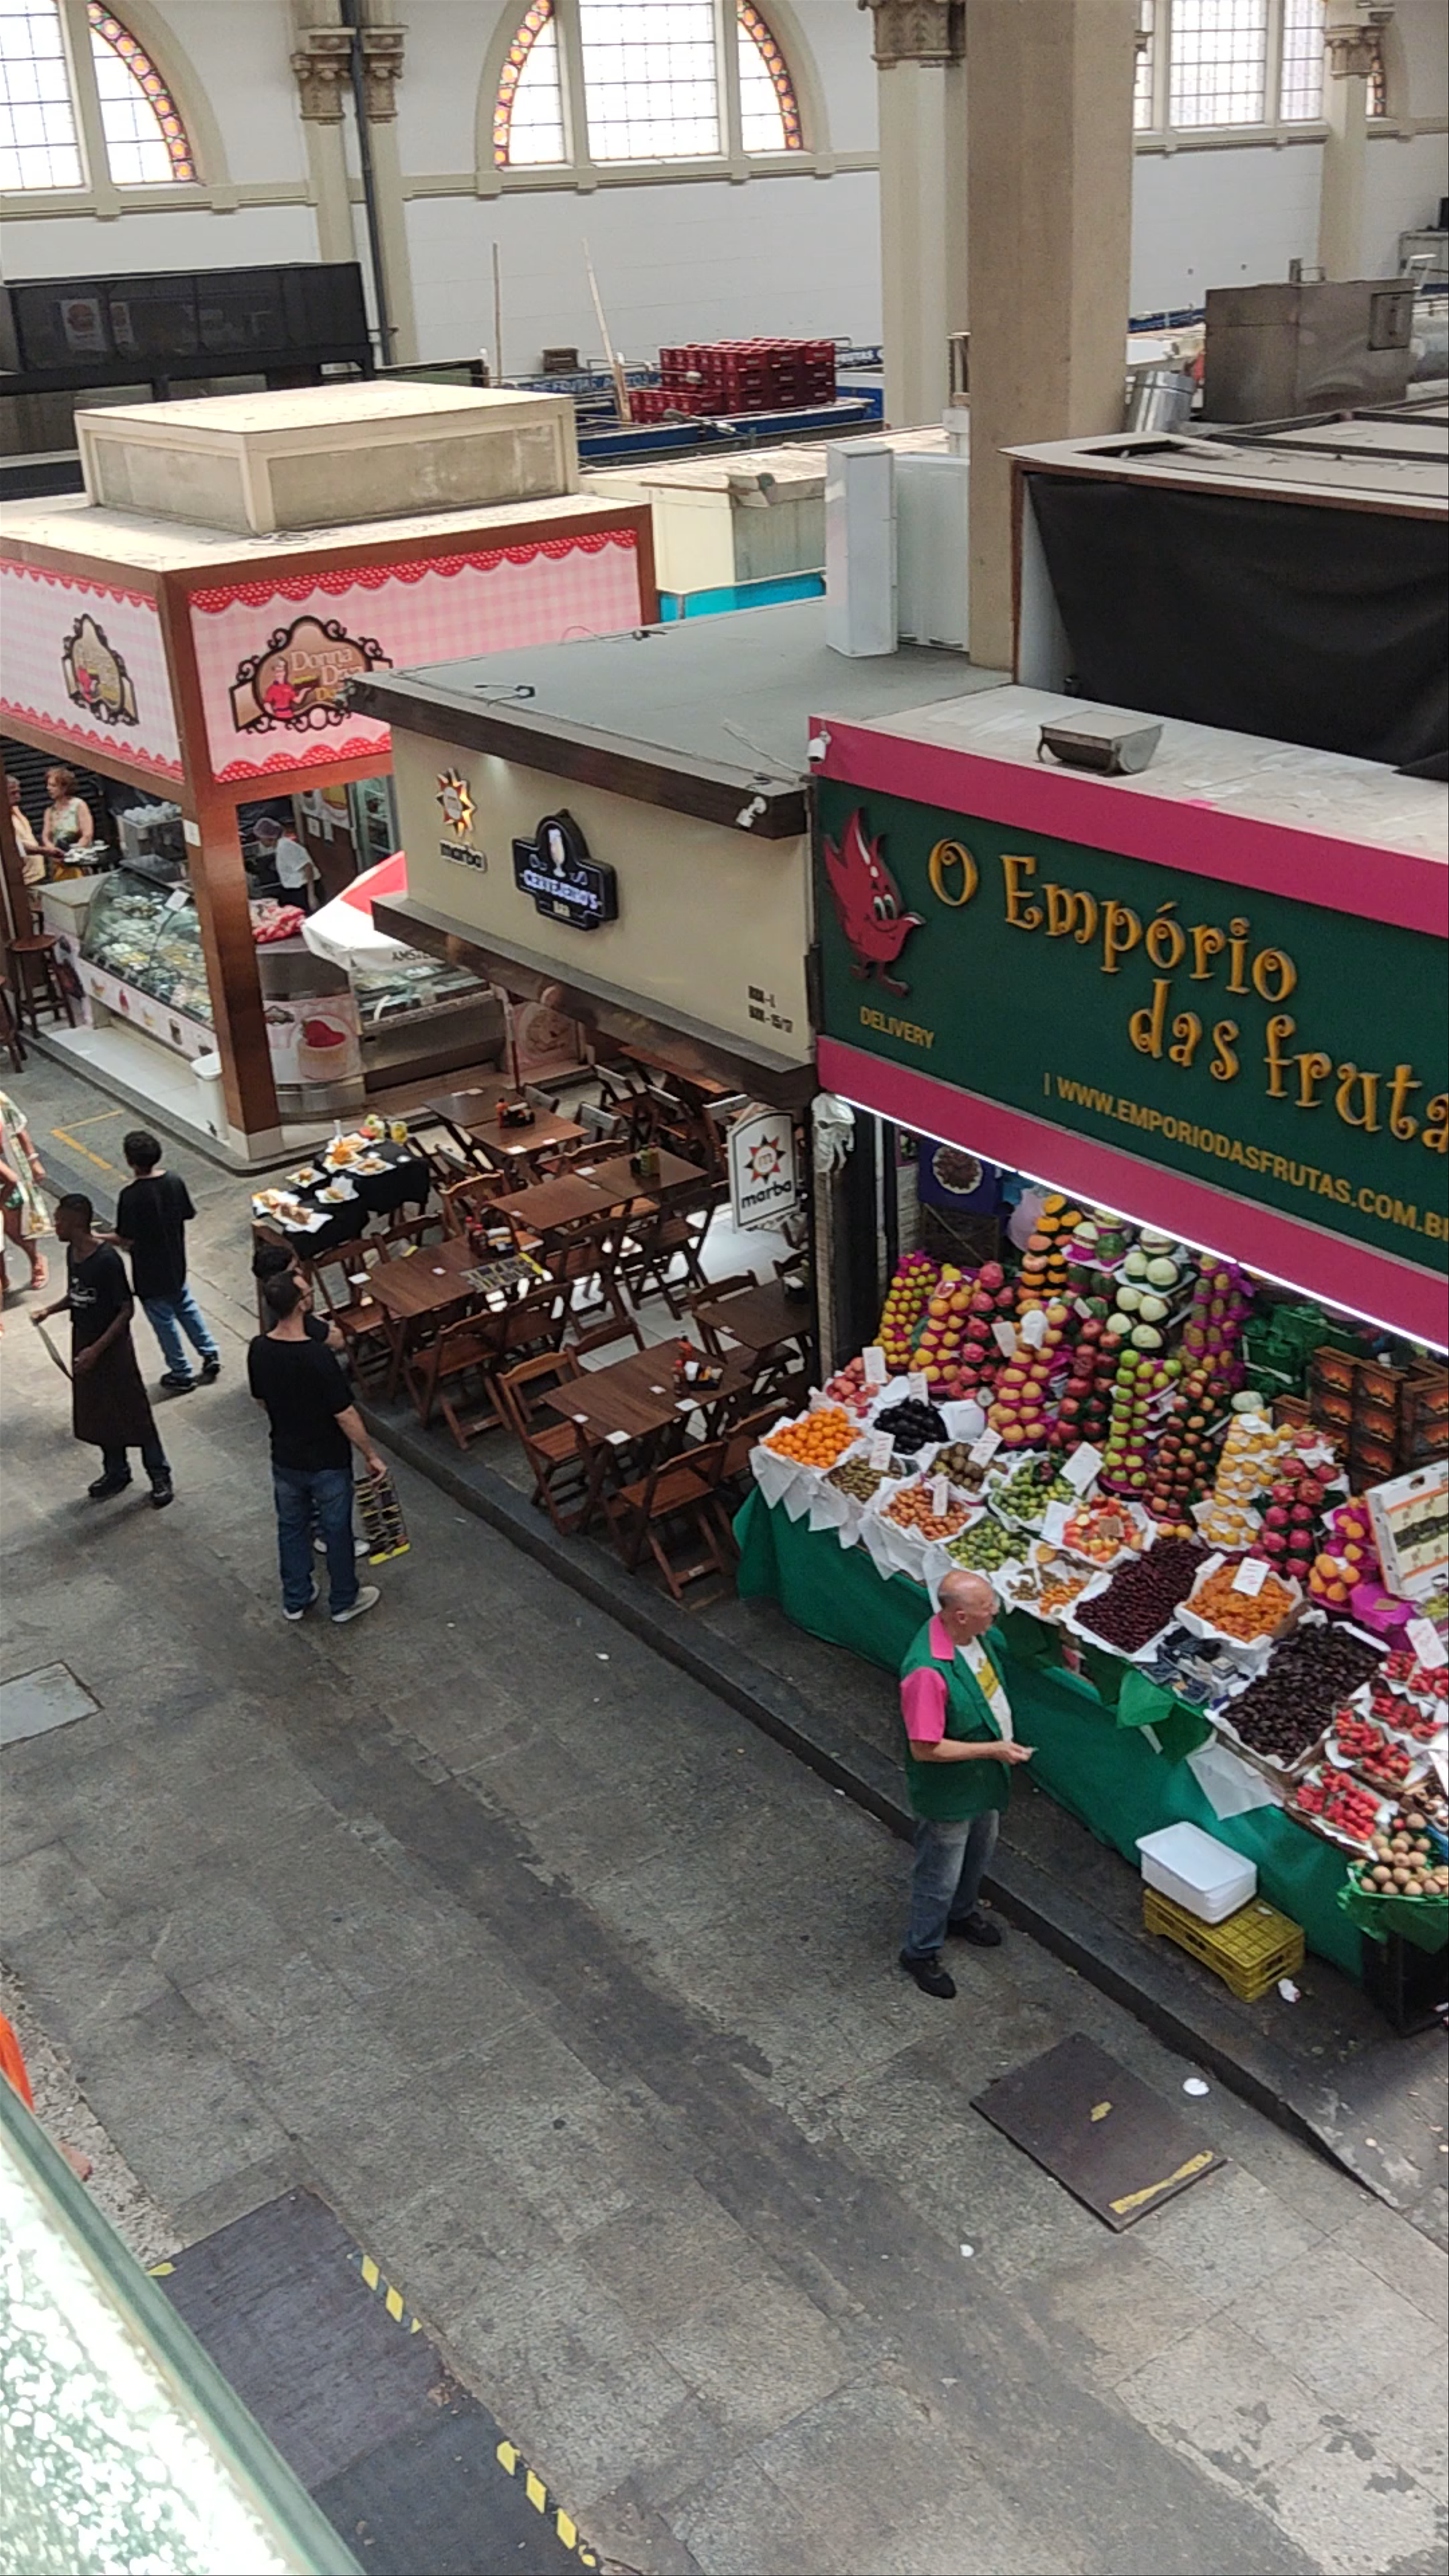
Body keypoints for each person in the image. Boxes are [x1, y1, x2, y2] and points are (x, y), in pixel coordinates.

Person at [897, 1567, 1034, 1999]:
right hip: (953, 1789)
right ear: (958, 1616)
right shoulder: (927, 1672)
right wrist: (993, 1750)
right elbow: (926, 1747)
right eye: (986, 1609)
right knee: (939, 1873)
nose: (994, 1613)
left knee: (980, 1851)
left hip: (984, 1778)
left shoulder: (970, 1637)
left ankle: (962, 1913)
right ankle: (921, 1950)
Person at [248, 1268, 383, 1624]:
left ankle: (296, 1596)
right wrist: (370, 1454)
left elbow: (261, 1398)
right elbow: (344, 1413)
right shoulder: (316, 1356)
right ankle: (344, 1599)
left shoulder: (259, 1349)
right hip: (327, 1458)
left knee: (292, 1527)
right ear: (301, 1304)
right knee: (336, 1529)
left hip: (286, 1456)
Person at [31, 1194, 173, 1507]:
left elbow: (125, 1308)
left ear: (76, 1221)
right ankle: (116, 1471)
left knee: (133, 1410)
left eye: (60, 1220)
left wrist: (97, 1349)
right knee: (100, 1411)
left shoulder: (107, 1259)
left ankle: (159, 1473)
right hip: (83, 1339)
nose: (55, 1225)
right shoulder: (73, 1253)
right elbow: (77, 1294)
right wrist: (50, 1310)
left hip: (112, 1348)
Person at [112, 1130, 220, 1392]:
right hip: (176, 1262)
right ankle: (210, 1351)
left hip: (149, 1273)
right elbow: (186, 1214)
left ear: (130, 1161)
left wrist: (97, 1237)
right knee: (186, 1306)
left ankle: (181, 1371)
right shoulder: (174, 1181)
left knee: (164, 1322)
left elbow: (125, 1237)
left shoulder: (131, 1196)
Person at [0, 1088, 48, 1296]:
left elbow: (19, 1127)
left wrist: (34, 1160)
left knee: (14, 1228)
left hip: (10, 1167)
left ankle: (36, 1259)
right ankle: (3, 1278)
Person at [252, 815, 320, 911]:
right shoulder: (280, 847)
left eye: (261, 838)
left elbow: (307, 867)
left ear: (269, 838)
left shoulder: (286, 847)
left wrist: (311, 896)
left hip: (303, 890)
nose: (260, 842)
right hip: (294, 890)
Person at [41, 767, 95, 864]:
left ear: (65, 788)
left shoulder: (79, 805)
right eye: (48, 785)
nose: (49, 789)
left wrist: (73, 853)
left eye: (53, 786)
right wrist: (53, 850)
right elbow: (46, 837)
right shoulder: (50, 811)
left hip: (78, 860)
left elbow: (87, 835)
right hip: (59, 861)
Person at [5, 774, 46, 889]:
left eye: (19, 792)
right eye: (13, 793)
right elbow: (17, 846)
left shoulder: (16, 811)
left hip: (36, 876)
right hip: (24, 881)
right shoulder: (4, 820)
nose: (18, 797)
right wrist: (46, 851)